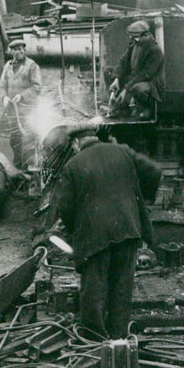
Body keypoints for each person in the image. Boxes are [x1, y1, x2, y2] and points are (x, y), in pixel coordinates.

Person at [49, 133, 162, 339]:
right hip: (128, 229)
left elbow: (64, 208)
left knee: (94, 290)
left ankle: (94, 340)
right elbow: (154, 171)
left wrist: (77, 230)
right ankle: (118, 340)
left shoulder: (73, 165)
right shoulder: (123, 151)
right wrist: (140, 201)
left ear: (76, 143)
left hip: (95, 236)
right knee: (122, 288)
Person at [108, 20, 165, 119]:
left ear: (146, 35)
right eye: (132, 37)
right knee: (108, 71)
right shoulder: (134, 45)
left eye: (136, 37)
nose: (133, 39)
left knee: (139, 89)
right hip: (134, 78)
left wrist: (126, 88)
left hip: (151, 84)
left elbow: (145, 74)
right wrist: (116, 79)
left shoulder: (155, 50)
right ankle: (120, 105)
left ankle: (144, 108)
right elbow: (123, 61)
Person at [0, 40, 42, 167]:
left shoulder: (32, 66)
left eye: (20, 49)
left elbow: (37, 87)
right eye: (14, 50)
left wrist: (22, 95)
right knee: (15, 139)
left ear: (24, 50)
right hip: (12, 111)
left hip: (28, 110)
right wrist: (4, 97)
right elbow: (2, 86)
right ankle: (17, 165)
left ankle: (30, 167)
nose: (17, 52)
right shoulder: (7, 66)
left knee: (30, 139)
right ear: (11, 51)